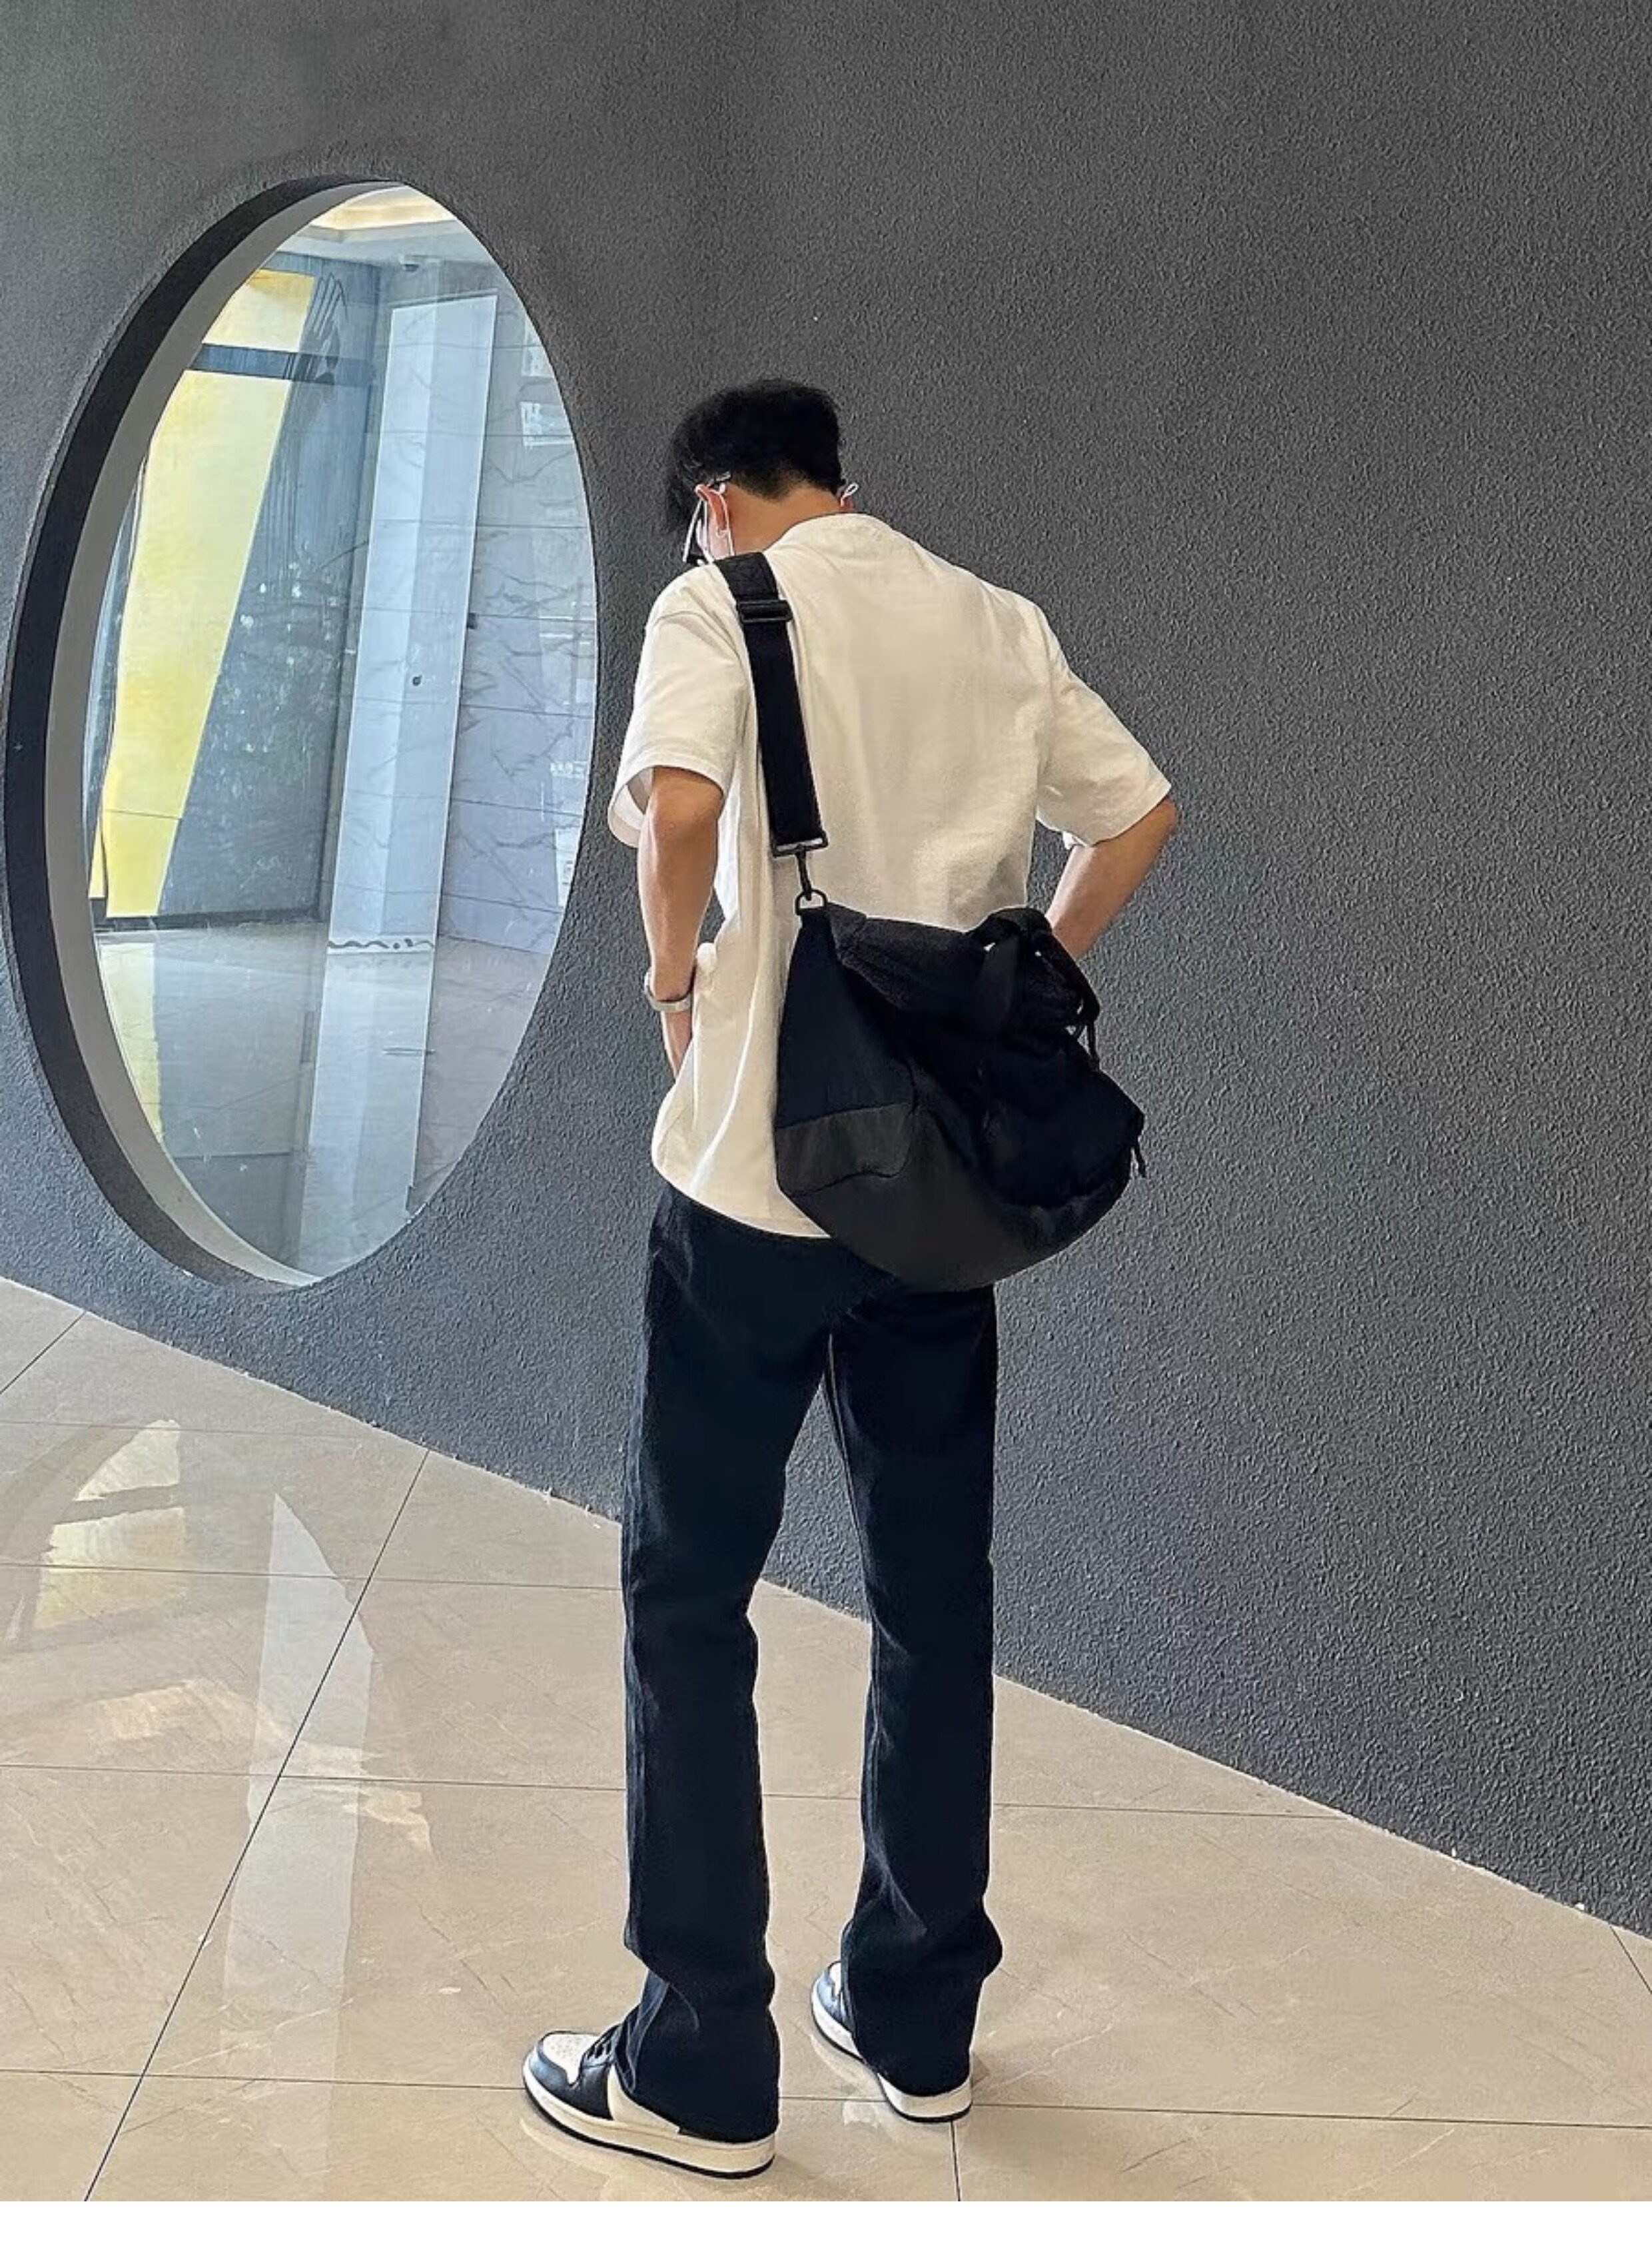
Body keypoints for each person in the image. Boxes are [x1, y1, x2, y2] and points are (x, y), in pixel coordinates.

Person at [523, 380, 1178, 2177]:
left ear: (714, 501)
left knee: (688, 1596)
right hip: (926, 1202)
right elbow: (1137, 814)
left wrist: (676, 985)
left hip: (749, 1183)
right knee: (932, 1597)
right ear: (841, 478)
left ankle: (699, 2061)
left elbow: (677, 813)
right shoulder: (991, 620)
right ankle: (916, 2019)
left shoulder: (716, 603)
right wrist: (1019, 973)